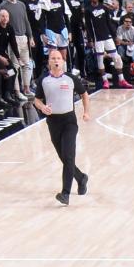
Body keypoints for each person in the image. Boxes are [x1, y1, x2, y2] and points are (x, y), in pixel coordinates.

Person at [33, 48, 91, 206]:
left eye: (59, 58)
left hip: (69, 122)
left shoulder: (71, 78)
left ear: (63, 61)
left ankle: (65, 193)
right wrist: (42, 107)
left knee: (69, 156)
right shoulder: (43, 80)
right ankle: (81, 178)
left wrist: (86, 112)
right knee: (64, 158)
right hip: (53, 122)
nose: (56, 60)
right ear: (49, 62)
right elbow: (36, 100)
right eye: (53, 58)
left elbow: (84, 94)